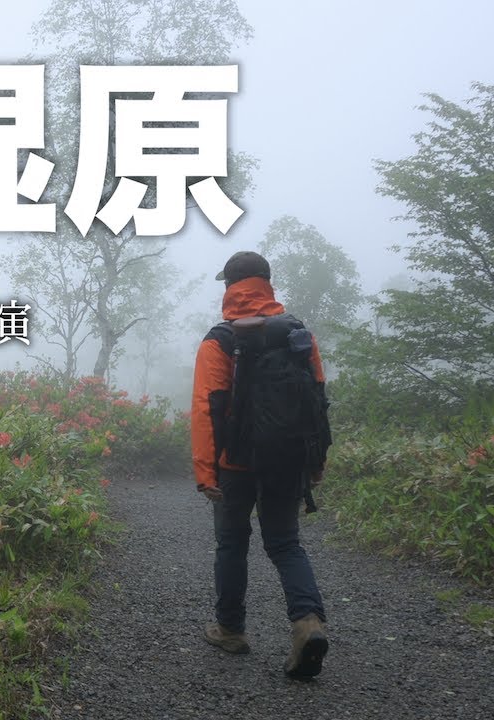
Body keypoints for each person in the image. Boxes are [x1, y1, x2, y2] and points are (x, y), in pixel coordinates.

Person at [189, 250, 330, 679]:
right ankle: (307, 623)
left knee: (232, 543)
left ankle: (231, 629)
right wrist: (316, 460)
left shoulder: (220, 340)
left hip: (234, 464)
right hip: (288, 459)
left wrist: (205, 473)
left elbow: (205, 409)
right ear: (267, 283)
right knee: (285, 543)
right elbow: (318, 401)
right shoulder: (297, 334)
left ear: (229, 287)